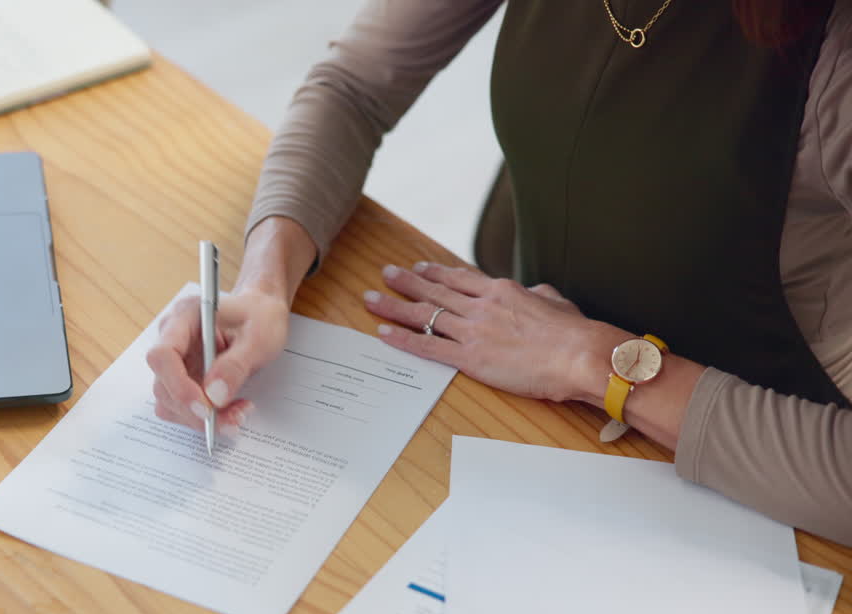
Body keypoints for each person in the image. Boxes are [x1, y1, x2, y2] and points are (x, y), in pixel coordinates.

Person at [147, 0, 852, 547]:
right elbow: (355, 85)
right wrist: (264, 285)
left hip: (763, 473)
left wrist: (594, 361)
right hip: (542, 411)